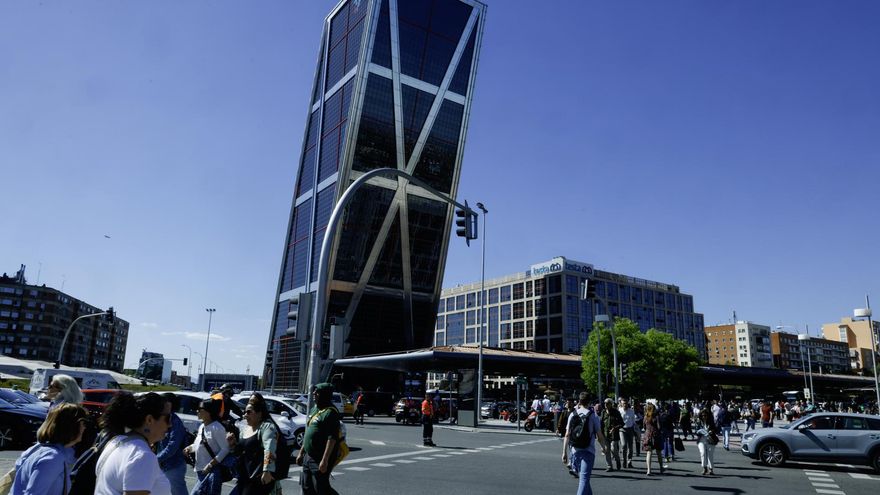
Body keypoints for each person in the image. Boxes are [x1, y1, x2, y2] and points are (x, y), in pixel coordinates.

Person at [94, 392, 172, 495]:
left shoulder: (116, 441)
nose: (170, 424)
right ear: (149, 420)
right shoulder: (142, 455)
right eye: (168, 418)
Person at [12, 403, 88, 494]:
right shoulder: (53, 458)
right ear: (72, 426)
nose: (84, 428)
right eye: (83, 423)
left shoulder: (40, 448)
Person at [296, 383, 341, 495]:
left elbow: (332, 438)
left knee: (321, 488)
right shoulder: (314, 409)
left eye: (318, 392)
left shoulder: (330, 412)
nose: (314, 394)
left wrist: (325, 460)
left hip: (319, 457)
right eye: (315, 391)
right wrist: (301, 453)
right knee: (306, 486)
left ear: (325, 395)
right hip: (308, 456)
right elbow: (308, 433)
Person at [233, 393, 278, 495]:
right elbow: (240, 452)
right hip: (243, 476)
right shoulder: (245, 429)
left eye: (249, 412)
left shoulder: (267, 427)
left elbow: (269, 448)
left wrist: (267, 470)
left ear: (259, 413)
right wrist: (233, 444)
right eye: (244, 412)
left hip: (257, 478)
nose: (245, 415)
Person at [561, 392, 605, 495]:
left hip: (575, 451)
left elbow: (567, 435)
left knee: (584, 478)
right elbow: (599, 435)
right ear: (589, 402)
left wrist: (564, 452)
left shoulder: (573, 414)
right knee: (584, 479)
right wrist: (604, 447)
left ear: (579, 402)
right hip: (588, 451)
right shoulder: (593, 415)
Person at [184, 399, 230, 495]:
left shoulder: (217, 428)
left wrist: (210, 465)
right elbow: (198, 444)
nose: (197, 411)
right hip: (200, 470)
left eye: (200, 409)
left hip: (212, 472)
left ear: (208, 412)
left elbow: (225, 449)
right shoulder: (202, 426)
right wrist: (190, 448)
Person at [156, 393, 188, 495]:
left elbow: (172, 446)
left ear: (169, 404)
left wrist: (156, 458)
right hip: (164, 465)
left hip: (174, 466)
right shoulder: (165, 418)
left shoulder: (175, 422)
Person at [600, 398, 622, 471]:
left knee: (613, 449)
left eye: (607, 403)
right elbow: (601, 423)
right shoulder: (603, 412)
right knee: (607, 450)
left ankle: (617, 460)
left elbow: (621, 423)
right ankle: (609, 466)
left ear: (611, 404)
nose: (605, 405)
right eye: (605, 403)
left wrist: (615, 428)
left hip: (614, 435)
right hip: (605, 434)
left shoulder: (616, 412)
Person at [642, 402, 664, 476]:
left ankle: (649, 470)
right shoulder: (656, 416)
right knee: (658, 452)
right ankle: (661, 468)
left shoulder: (645, 417)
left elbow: (644, 426)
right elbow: (659, 427)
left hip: (647, 435)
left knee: (649, 453)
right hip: (656, 435)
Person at [696, 408, 718, 475]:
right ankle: (704, 468)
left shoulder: (711, 422)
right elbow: (696, 431)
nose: (704, 417)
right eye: (702, 415)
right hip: (701, 439)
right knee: (702, 453)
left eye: (705, 415)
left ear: (708, 416)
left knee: (710, 454)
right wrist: (699, 431)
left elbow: (715, 429)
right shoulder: (699, 422)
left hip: (710, 439)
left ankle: (711, 469)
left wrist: (711, 431)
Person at [618, 398, 636, 468]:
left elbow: (633, 421)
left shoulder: (631, 411)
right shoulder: (619, 411)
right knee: (624, 445)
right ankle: (624, 460)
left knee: (630, 447)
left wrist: (635, 430)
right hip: (622, 429)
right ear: (621, 404)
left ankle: (629, 461)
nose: (625, 405)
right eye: (623, 404)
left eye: (625, 403)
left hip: (630, 429)